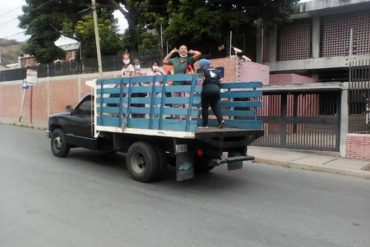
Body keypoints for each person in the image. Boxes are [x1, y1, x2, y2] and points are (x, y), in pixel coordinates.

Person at [198, 59, 224, 129]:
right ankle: (221, 120)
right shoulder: (215, 70)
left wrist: (197, 88)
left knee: (205, 108)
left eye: (199, 64)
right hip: (216, 90)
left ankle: (205, 125)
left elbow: (201, 80)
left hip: (206, 90)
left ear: (201, 64)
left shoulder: (201, 70)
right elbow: (220, 80)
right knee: (215, 107)